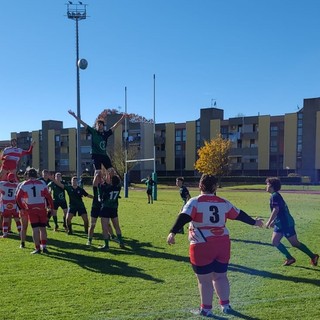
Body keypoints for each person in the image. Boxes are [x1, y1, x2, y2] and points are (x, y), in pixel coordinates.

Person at [167, 174, 264, 317]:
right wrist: (254, 222)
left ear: (200, 186)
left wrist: (172, 232)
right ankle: (225, 305)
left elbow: (184, 217)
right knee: (221, 276)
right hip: (223, 244)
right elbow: (239, 214)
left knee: (204, 280)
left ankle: (206, 309)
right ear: (215, 187)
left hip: (201, 244)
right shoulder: (223, 202)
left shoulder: (195, 202)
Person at [265, 177, 319, 267]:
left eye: (267, 184)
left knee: (295, 243)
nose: (266, 186)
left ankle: (313, 256)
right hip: (280, 223)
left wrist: (269, 221)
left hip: (286, 223)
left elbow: (276, 209)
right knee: (275, 241)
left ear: (271, 186)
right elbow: (280, 210)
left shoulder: (275, 196)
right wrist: (274, 221)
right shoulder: (274, 195)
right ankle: (290, 258)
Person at [68, 110, 128, 175]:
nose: (99, 125)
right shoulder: (93, 132)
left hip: (104, 155)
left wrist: (122, 118)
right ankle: (95, 185)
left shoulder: (106, 133)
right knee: (98, 172)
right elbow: (83, 123)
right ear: (96, 126)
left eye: (100, 124)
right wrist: (74, 115)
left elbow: (115, 126)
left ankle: (111, 184)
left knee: (112, 171)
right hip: (96, 155)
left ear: (103, 126)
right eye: (97, 124)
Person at [15, 168, 54, 254]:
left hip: (31, 208)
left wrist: (22, 208)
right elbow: (49, 197)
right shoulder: (42, 183)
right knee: (43, 229)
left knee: (35, 229)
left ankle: (37, 248)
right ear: (36, 175)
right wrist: (51, 207)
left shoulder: (24, 184)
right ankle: (44, 247)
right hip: (41, 208)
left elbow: (17, 197)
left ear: (27, 175)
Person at [87, 171, 117, 246]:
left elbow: (108, 180)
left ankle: (113, 236)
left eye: (101, 178)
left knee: (107, 224)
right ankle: (89, 240)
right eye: (98, 178)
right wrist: (96, 175)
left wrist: (107, 173)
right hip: (95, 208)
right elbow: (94, 183)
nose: (100, 179)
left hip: (103, 208)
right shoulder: (96, 187)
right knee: (92, 225)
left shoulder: (105, 187)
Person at [98, 173, 124, 250]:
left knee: (104, 227)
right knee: (117, 226)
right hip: (114, 208)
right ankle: (121, 242)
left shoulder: (106, 188)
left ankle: (106, 245)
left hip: (106, 208)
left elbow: (101, 185)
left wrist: (104, 179)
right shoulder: (118, 188)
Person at [0, 173, 21, 238]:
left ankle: (5, 233)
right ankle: (21, 232)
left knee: (5, 219)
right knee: (17, 219)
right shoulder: (17, 185)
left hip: (6, 204)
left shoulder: (3, 184)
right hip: (14, 204)